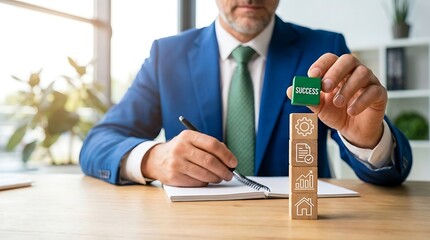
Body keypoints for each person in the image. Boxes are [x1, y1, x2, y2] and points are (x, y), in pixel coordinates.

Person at [80, 0, 412, 187]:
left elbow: (391, 173)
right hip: (191, 228)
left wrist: (369, 141)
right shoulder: (167, 55)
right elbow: (99, 142)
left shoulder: (324, 48)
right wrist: (153, 159)